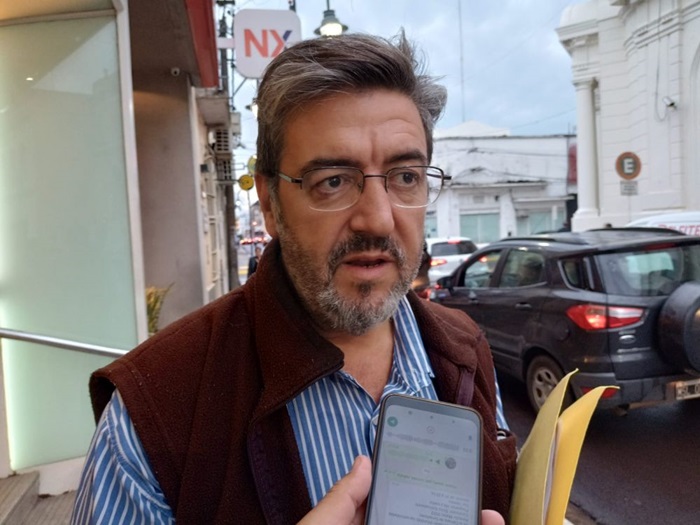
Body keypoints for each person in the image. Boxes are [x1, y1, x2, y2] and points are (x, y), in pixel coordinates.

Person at [71, 32, 516, 524]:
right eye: (333, 182)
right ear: (269, 203)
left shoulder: (464, 349)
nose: (378, 218)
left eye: (406, 177)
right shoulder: (154, 412)